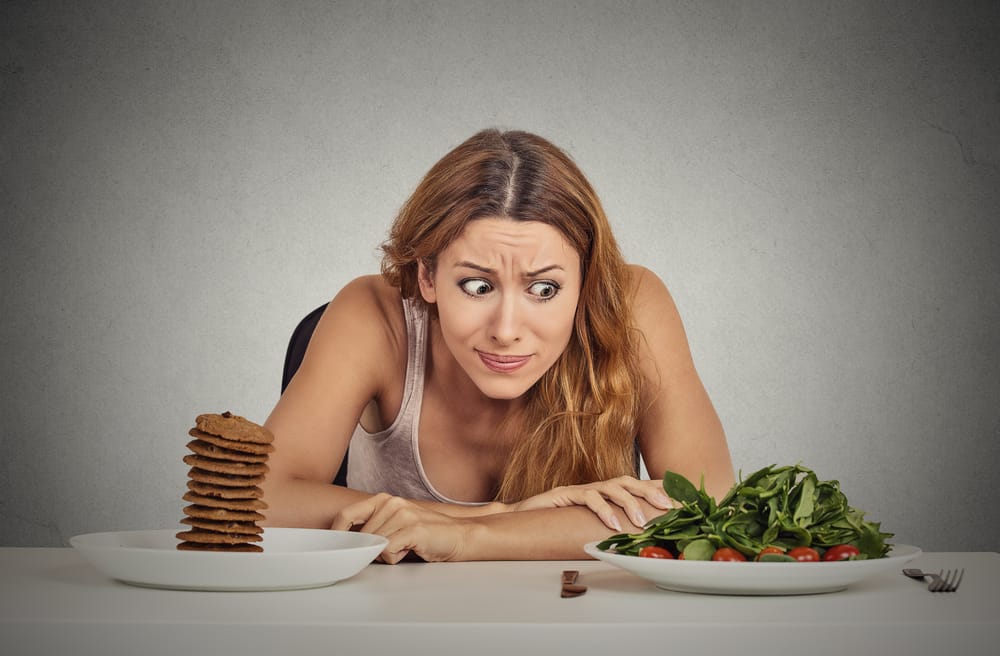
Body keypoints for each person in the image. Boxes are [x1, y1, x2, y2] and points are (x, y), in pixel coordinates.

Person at [261, 129, 734, 563]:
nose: (506, 330)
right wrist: (504, 511)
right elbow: (261, 500)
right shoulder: (375, 313)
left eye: (544, 290)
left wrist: (472, 536)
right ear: (427, 275)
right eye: (476, 286)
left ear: (586, 283)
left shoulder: (633, 304)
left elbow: (708, 506)